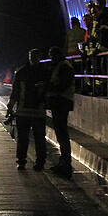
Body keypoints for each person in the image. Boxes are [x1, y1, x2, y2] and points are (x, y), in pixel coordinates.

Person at [8, 48, 48, 170]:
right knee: (37, 138)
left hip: (25, 111)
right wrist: (10, 106)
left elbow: (15, 92)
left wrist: (10, 107)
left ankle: (23, 161)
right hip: (35, 111)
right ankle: (36, 162)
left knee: (26, 138)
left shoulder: (22, 72)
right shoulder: (44, 72)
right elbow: (15, 91)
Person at [46, 46, 75, 177]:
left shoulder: (64, 67)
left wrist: (48, 87)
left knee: (62, 134)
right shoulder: (60, 66)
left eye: (52, 55)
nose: (51, 58)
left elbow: (62, 85)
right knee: (60, 134)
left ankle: (66, 164)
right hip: (59, 102)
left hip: (62, 102)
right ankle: (63, 162)